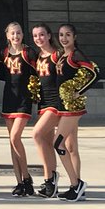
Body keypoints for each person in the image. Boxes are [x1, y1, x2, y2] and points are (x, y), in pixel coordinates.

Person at [52, 23, 98, 201]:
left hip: (72, 108)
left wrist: (79, 92)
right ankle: (75, 187)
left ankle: (76, 184)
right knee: (70, 147)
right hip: (63, 106)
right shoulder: (62, 55)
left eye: (68, 35)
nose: (64, 38)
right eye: (61, 35)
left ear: (74, 37)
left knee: (58, 143)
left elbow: (95, 74)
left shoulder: (76, 54)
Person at [0, 21, 37, 196]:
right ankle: (19, 182)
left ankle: (27, 177)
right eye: (12, 33)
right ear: (7, 35)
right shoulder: (4, 53)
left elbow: (38, 73)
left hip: (23, 100)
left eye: (18, 32)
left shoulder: (29, 53)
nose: (16, 36)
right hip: (9, 100)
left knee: (15, 137)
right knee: (12, 142)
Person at [30, 23, 63, 198]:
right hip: (42, 104)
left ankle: (51, 178)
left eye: (42, 34)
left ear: (49, 36)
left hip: (56, 103)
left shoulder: (58, 55)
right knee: (46, 142)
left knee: (36, 134)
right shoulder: (38, 57)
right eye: (35, 36)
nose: (39, 38)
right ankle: (50, 181)